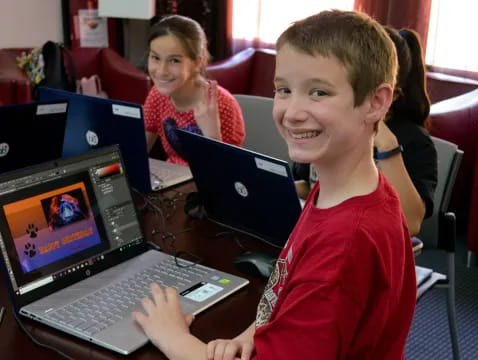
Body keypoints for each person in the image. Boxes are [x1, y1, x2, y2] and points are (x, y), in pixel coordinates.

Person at [132, 10, 417, 360]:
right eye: (283, 90)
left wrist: (173, 337)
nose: (292, 111)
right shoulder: (346, 189)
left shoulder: (345, 245)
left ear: (375, 103)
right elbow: (289, 284)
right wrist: (258, 331)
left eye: (318, 92)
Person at [293, 26, 437, 236]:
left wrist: (386, 145)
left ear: (387, 96)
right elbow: (310, 185)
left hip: (366, 244)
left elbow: (410, 223)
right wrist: (275, 188)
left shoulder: (415, 142)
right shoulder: (326, 123)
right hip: (319, 234)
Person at [143, 14, 245, 165]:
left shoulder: (222, 105)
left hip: (209, 185)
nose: (161, 71)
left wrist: (212, 135)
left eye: (174, 60)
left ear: (197, 63)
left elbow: (227, 176)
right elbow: (137, 152)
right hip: (172, 181)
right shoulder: (157, 95)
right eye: (155, 58)